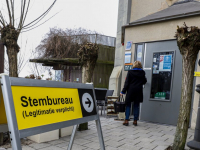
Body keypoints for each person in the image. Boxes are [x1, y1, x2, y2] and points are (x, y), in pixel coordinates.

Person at [120, 61, 147, 126]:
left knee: (128, 105)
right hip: (138, 90)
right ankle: (135, 121)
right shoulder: (142, 72)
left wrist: (123, 91)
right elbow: (144, 81)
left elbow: (127, 83)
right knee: (136, 105)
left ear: (134, 65)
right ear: (140, 65)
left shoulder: (130, 72)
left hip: (130, 90)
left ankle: (126, 120)